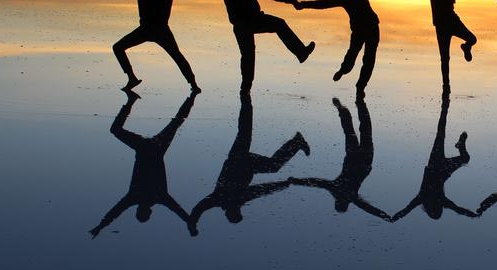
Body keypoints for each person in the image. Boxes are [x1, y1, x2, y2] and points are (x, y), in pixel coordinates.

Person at [188, 93, 309, 234]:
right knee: (272, 164)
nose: (236, 209)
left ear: (228, 212)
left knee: (245, 132)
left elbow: (198, 208)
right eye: (237, 211)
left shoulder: (218, 199)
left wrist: (192, 226)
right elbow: (264, 189)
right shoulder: (241, 198)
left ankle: (245, 98)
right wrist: (284, 184)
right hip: (248, 164)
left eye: (234, 212)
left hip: (237, 159)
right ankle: (296, 142)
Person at [198, 0, 315, 93]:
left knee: (280, 24)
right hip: (241, 24)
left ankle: (301, 52)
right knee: (248, 54)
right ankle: (246, 86)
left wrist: (292, 0)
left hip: (256, 19)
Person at [89, 90, 197, 238]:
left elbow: (115, 212)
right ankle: (191, 97)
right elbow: (177, 210)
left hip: (146, 147)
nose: (143, 209)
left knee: (176, 122)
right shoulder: (155, 197)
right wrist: (189, 223)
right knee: (176, 122)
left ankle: (131, 101)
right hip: (153, 148)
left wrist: (101, 225)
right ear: (146, 211)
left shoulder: (143, 197)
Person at [296, 0, 406, 98]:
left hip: (372, 28)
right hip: (358, 31)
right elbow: (323, 4)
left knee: (369, 59)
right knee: (352, 54)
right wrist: (304, 4)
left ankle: (360, 87)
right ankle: (343, 70)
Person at [287, 98, 390, 221]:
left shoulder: (349, 196)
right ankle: (344, 109)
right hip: (355, 157)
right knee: (351, 132)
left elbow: (366, 207)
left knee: (365, 131)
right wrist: (295, 181)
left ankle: (357, 105)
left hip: (363, 160)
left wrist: (383, 215)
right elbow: (315, 182)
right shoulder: (336, 189)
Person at [403, 0, 491, 97]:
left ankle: (466, 47)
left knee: (472, 39)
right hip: (441, 28)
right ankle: (446, 85)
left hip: (454, 23)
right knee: (445, 58)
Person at [391, 97, 476, 221]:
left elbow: (406, 210)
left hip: (435, 165)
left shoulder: (422, 198)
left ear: (430, 208)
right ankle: (460, 145)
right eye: (439, 209)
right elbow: (458, 209)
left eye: (436, 209)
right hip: (444, 171)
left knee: (440, 135)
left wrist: (394, 218)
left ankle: (444, 109)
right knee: (465, 158)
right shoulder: (440, 202)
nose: (438, 207)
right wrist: (472, 215)